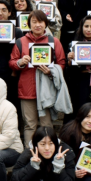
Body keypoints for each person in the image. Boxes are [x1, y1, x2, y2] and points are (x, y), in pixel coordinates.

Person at [9, 10, 67, 146]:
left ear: (45, 24)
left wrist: (51, 71)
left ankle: (48, 153)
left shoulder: (54, 41)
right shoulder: (21, 42)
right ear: (28, 24)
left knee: (47, 124)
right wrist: (21, 62)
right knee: (30, 125)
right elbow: (12, 62)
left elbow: (62, 62)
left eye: (40, 22)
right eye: (34, 22)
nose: (37, 25)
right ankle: (29, 155)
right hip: (27, 90)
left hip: (46, 91)